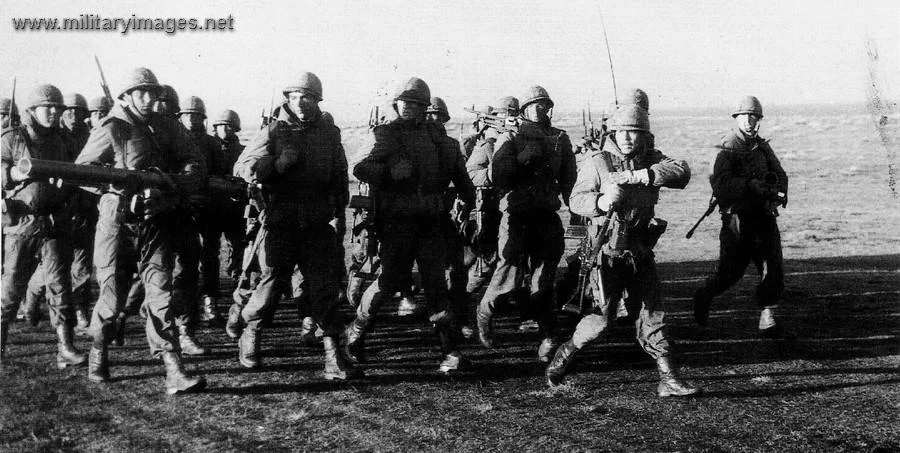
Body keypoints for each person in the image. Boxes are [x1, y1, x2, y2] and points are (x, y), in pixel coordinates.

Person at [545, 104, 699, 397]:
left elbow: (682, 172)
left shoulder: (652, 160)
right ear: (613, 132)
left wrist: (641, 176)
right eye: (622, 131)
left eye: (634, 132)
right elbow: (576, 200)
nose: (627, 137)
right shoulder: (598, 161)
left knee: (653, 312)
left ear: (644, 135)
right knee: (603, 321)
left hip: (640, 251)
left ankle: (669, 379)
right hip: (605, 255)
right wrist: (601, 202)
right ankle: (564, 355)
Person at [75, 67, 206, 394]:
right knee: (111, 297)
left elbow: (195, 163)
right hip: (117, 226)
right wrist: (118, 186)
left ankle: (174, 369)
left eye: (152, 92)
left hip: (155, 224)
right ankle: (99, 350)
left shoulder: (167, 126)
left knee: (161, 295)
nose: (149, 98)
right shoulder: (112, 128)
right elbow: (82, 173)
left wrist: (169, 187)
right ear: (127, 96)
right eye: (141, 92)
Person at [231, 71, 358, 380]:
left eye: (308, 97)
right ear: (287, 99)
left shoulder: (329, 133)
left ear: (317, 100)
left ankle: (333, 358)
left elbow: (340, 173)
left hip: (317, 223)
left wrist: (339, 212)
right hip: (282, 223)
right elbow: (242, 168)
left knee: (324, 289)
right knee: (272, 286)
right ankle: (250, 330)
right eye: (296, 97)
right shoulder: (275, 131)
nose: (302, 102)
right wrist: (274, 166)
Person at [345, 77, 475, 373]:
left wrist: (466, 203)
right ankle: (355, 333)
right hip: (397, 224)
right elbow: (360, 167)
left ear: (425, 108)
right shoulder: (386, 135)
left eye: (417, 104)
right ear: (396, 104)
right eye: (405, 102)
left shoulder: (443, 142)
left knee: (436, 286)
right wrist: (389, 172)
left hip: (431, 223)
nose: (409, 108)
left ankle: (449, 352)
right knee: (388, 282)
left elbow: (463, 182)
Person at [476, 85, 576, 362]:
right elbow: (497, 176)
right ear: (524, 110)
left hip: (546, 214)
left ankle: (548, 334)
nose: (540, 109)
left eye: (544, 104)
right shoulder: (511, 136)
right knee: (507, 273)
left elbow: (570, 179)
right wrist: (520, 159)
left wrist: (579, 207)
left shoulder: (560, 139)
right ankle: (485, 311)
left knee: (544, 279)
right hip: (517, 215)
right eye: (534, 105)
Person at [1, 84, 86, 369]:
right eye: (47, 107)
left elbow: (78, 173)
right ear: (32, 110)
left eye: (57, 108)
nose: (53, 112)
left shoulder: (65, 141)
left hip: (54, 223)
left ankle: (65, 345)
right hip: (23, 224)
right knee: (12, 288)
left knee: (60, 287)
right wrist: (12, 173)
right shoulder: (12, 138)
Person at [692, 95, 789, 338]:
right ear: (737, 118)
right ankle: (704, 296)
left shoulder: (762, 146)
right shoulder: (728, 146)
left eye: (755, 117)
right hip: (738, 220)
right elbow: (721, 184)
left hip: (764, 216)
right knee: (730, 273)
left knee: (772, 266)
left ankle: (768, 318)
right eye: (746, 116)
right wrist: (749, 185)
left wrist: (778, 192)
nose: (751, 121)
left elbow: (780, 174)